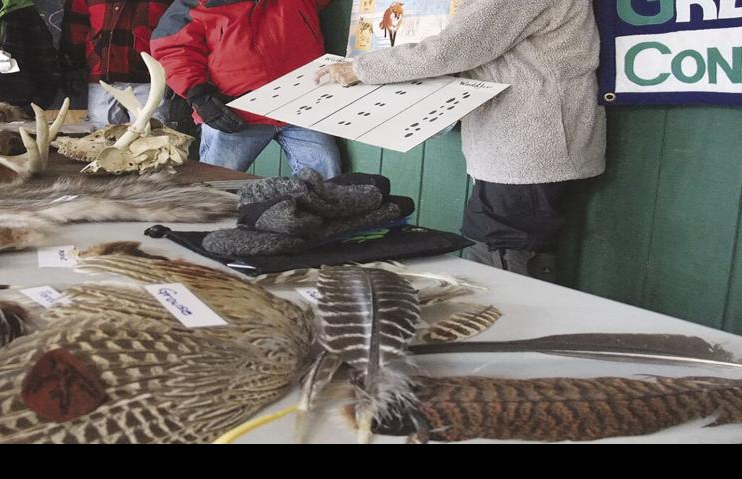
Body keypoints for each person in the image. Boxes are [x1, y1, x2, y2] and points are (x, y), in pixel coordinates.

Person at [315, 0, 605, 283]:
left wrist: (360, 69)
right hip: (528, 144)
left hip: (531, 147)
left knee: (501, 251)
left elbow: (451, 50)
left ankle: (510, 327)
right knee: (510, 247)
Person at [152, 0, 340, 177]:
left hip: (301, 107)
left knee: (328, 183)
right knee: (215, 190)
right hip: (232, 113)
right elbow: (172, 47)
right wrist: (199, 96)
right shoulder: (197, 4)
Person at [63, 0, 176, 125]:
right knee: (101, 138)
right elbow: (76, 27)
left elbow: (178, 27)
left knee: (152, 137)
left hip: (152, 81)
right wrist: (75, 66)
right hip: (102, 80)